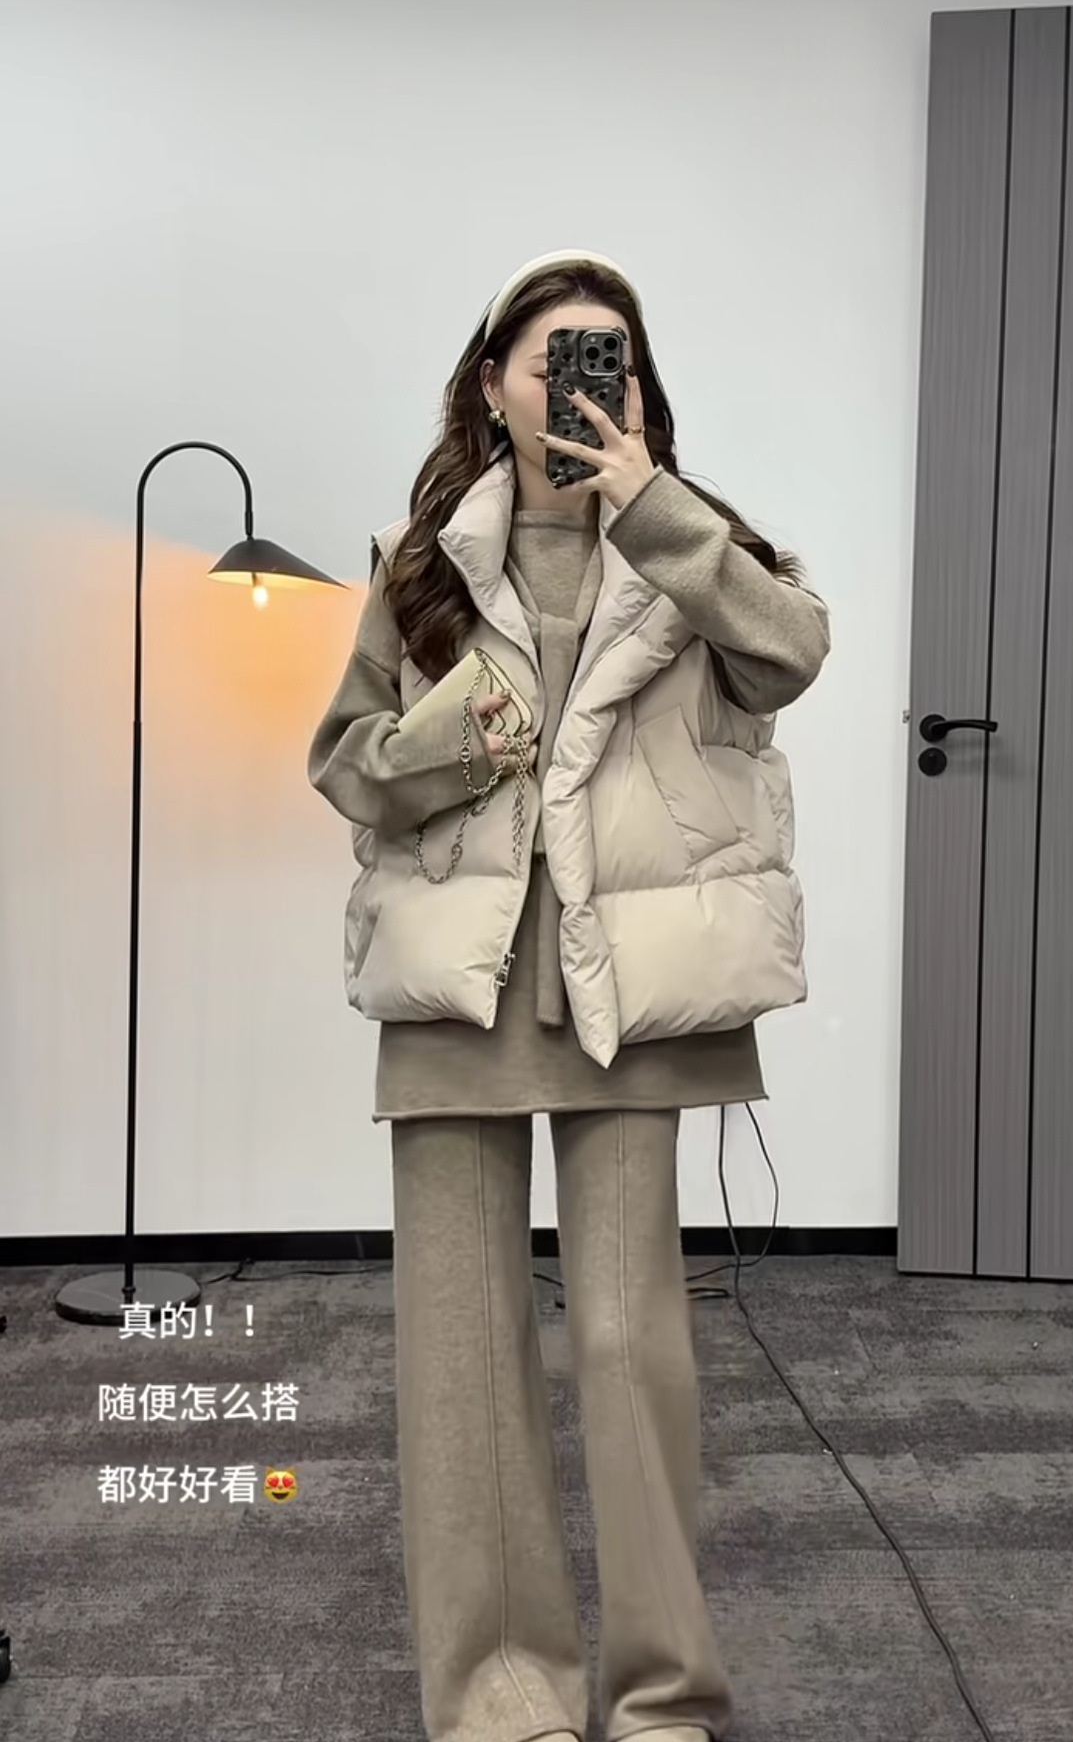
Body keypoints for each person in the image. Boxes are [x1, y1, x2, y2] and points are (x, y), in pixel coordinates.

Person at [308, 250, 831, 1742]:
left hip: (627, 989)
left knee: (625, 1346)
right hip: (456, 992)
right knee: (464, 1367)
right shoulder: (416, 565)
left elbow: (790, 655)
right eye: (554, 358)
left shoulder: (691, 547)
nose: (582, 383)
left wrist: (652, 504)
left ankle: (662, 1697)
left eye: (612, 358)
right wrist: (451, 740)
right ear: (493, 386)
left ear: (640, 388)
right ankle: (501, 1699)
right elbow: (345, 764)